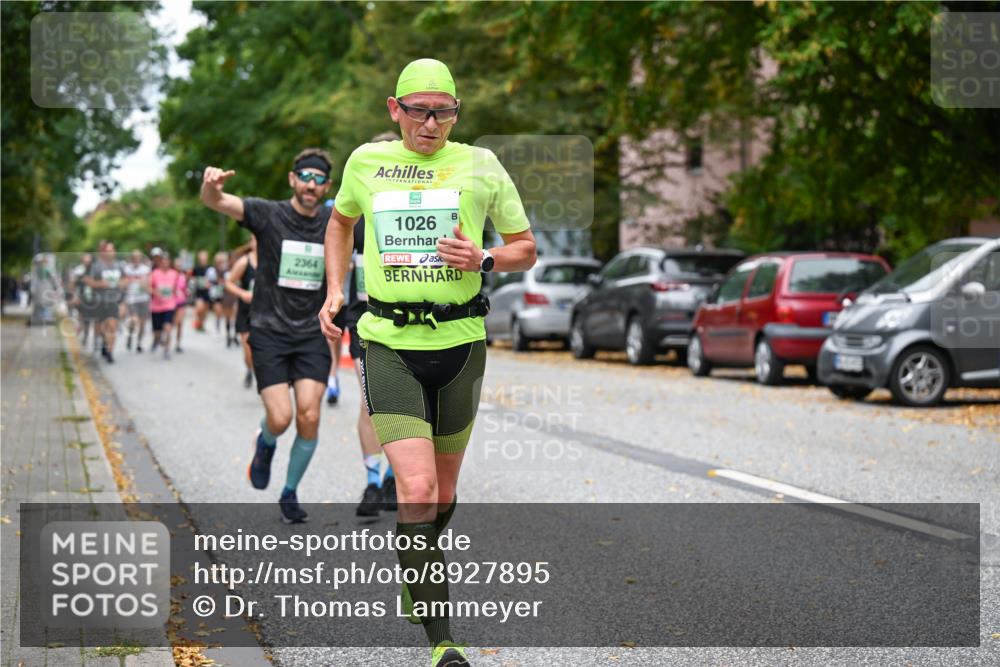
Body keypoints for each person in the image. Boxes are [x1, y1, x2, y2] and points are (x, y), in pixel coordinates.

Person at [319, 59, 536, 667]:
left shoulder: (482, 165)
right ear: (395, 109)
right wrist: (335, 291)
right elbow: (339, 225)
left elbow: (526, 249)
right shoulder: (367, 162)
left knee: (441, 495)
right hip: (387, 340)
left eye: (445, 110)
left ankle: (417, 563)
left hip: (461, 342)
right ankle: (443, 640)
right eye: (419, 110)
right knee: (414, 489)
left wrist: (485, 257)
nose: (432, 122)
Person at [201, 147, 335, 524]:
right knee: (281, 418)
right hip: (269, 331)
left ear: (327, 185)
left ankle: (290, 492)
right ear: (293, 179)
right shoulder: (268, 214)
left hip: (311, 332)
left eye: (318, 178)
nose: (311, 184)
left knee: (309, 415)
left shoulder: (336, 222)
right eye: (304, 176)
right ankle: (266, 443)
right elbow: (217, 201)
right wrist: (211, 186)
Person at [225, 234, 258, 388]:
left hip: (264, 313)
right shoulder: (244, 262)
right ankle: (249, 369)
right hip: (246, 312)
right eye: (255, 239)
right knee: (248, 350)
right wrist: (243, 294)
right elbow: (229, 283)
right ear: (251, 242)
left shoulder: (271, 260)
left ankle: (262, 376)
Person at [85, 242, 127, 363]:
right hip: (100, 301)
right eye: (108, 250)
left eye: (112, 250)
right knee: (101, 328)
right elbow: (89, 281)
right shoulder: (96, 266)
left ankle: (109, 352)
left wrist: (122, 285)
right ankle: (103, 342)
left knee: (113, 326)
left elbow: (125, 280)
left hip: (114, 301)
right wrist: (100, 284)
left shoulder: (119, 265)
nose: (111, 252)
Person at [149, 249, 178, 359]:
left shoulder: (174, 274)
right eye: (163, 261)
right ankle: (156, 340)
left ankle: (167, 349)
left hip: (169, 305)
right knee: (157, 332)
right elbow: (148, 287)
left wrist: (176, 295)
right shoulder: (154, 273)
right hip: (156, 307)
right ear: (160, 262)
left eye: (167, 260)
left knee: (167, 327)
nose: (165, 263)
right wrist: (155, 292)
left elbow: (175, 288)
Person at [123, 249, 151, 353]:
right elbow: (124, 283)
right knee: (134, 320)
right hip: (132, 298)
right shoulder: (127, 269)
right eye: (134, 257)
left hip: (143, 298)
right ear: (132, 258)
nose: (136, 259)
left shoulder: (146, 270)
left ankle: (139, 343)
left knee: (143, 323)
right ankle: (130, 335)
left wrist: (145, 284)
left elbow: (149, 284)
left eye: (138, 257)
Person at [172, 256, 189, 354]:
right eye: (177, 264)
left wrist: (186, 292)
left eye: (180, 265)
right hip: (171, 303)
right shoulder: (171, 274)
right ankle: (167, 339)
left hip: (181, 301)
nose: (178, 266)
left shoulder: (183, 276)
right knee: (172, 322)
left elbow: (185, 288)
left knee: (180, 323)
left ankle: (178, 344)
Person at [191, 250, 212, 331]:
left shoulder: (210, 268)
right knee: (199, 309)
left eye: (204, 257)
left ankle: (202, 324)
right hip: (199, 291)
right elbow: (192, 279)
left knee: (205, 310)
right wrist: (195, 282)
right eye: (201, 257)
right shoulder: (196, 268)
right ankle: (198, 322)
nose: (203, 259)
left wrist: (210, 284)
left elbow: (213, 279)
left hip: (207, 292)